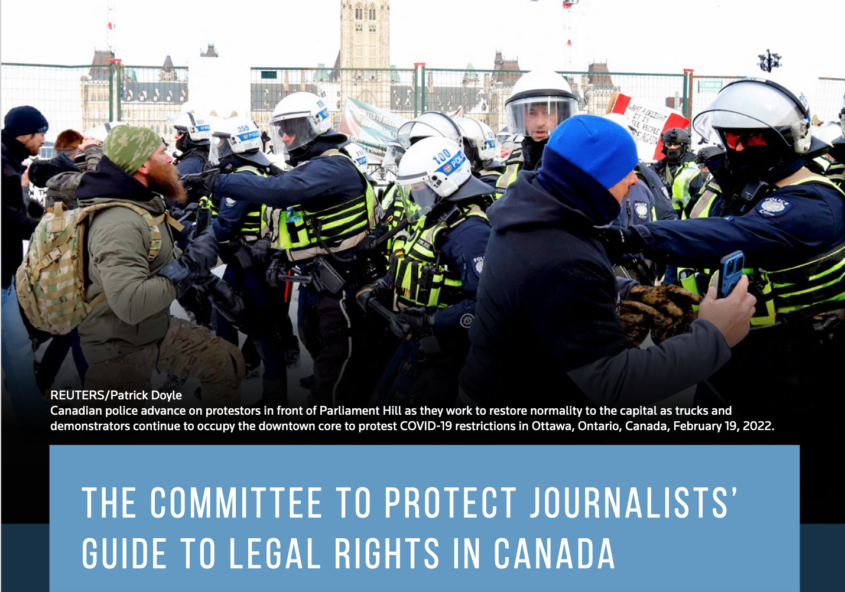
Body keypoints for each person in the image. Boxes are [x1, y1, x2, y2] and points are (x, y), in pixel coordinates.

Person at [600, 77, 845, 519]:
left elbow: (731, 235)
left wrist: (633, 236)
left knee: (805, 489)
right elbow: (693, 244)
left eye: (750, 138)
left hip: (799, 364)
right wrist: (666, 296)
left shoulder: (816, 202)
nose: (736, 147)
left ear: (785, 139)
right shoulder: (734, 189)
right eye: (730, 137)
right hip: (728, 353)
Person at [459, 115, 756, 411]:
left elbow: (549, 288)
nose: (635, 180)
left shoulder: (538, 216)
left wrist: (628, 291)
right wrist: (715, 335)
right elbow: (617, 383)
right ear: (592, 180)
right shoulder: (560, 257)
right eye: (623, 171)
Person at [182, 92, 382, 407]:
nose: (286, 137)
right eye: (282, 129)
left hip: (342, 285)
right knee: (314, 345)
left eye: (292, 128)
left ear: (314, 127)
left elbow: (283, 191)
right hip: (318, 283)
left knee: (336, 367)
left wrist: (218, 183)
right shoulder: (315, 166)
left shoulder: (333, 166)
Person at [75, 126, 244, 407]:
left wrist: (202, 247)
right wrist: (189, 265)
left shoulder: (142, 205)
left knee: (224, 361)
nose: (170, 160)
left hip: (152, 331)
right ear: (142, 164)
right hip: (119, 349)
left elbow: (160, 259)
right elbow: (131, 305)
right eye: (163, 152)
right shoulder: (119, 223)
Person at [357, 137, 493, 406]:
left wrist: (430, 321)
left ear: (441, 184)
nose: (414, 196)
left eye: (418, 188)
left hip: (447, 349)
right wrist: (382, 285)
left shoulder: (470, 233)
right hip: (416, 338)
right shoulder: (436, 218)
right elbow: (414, 264)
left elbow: (485, 305)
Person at [205, 116, 296, 406]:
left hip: (248, 267)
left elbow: (226, 225)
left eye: (221, 140)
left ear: (234, 143)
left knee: (240, 326)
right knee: (259, 328)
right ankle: (270, 395)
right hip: (262, 262)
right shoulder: (263, 168)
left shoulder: (242, 177)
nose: (218, 146)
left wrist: (194, 235)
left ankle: (228, 392)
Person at [1, 105, 51, 424]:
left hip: (4, 274)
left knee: (16, 343)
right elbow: (6, 216)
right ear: (24, 135)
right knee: (16, 342)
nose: (44, 138)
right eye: (41, 132)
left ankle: (30, 414)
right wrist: (39, 228)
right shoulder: (4, 167)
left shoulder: (9, 162)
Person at [495, 70, 579, 195]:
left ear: (562, 115)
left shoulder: (575, 161)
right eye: (531, 112)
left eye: (548, 112)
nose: (540, 122)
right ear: (520, 117)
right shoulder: (515, 159)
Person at [649, 127, 704, 216]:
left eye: (676, 144)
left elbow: (700, 200)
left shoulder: (695, 167)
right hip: (662, 216)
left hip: (684, 217)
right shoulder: (658, 167)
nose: (672, 147)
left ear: (684, 146)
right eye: (669, 144)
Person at [455, 117, 504, 187]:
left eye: (463, 144)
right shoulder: (466, 176)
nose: (459, 149)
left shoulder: (489, 180)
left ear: (482, 147)